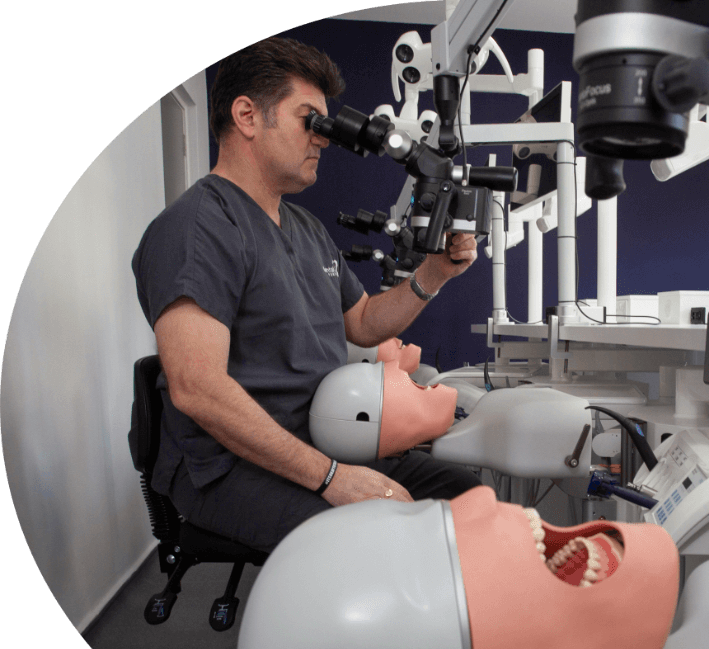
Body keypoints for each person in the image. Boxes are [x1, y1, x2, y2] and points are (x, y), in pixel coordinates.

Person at [131, 37, 483, 554]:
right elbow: (197, 388)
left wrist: (435, 273)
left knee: (468, 498)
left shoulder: (303, 226)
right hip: (231, 465)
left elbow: (363, 322)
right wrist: (333, 478)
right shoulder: (197, 228)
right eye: (309, 120)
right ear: (248, 116)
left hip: (320, 439)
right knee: (383, 541)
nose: (323, 138)